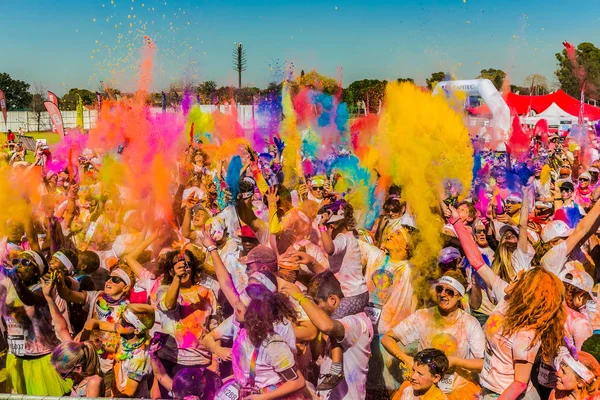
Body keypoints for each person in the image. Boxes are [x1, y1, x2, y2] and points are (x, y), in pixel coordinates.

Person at [382, 271, 484, 400]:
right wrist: (407, 359)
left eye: (449, 292)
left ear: (459, 296)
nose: (442, 294)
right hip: (423, 389)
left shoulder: (469, 323)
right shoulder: (422, 316)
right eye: (440, 289)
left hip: (457, 390)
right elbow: (387, 338)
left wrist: (456, 361)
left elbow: (482, 364)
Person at [281, 271, 373, 400]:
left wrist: (300, 297)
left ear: (332, 300)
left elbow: (326, 326)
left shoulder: (357, 323)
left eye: (317, 303)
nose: (316, 308)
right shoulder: (340, 318)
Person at [1, 249, 73, 395]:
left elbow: (30, 299)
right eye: (16, 262)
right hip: (16, 357)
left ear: (37, 271)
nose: (19, 266)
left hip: (42, 360)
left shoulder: (44, 289)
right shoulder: (7, 285)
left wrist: (14, 279)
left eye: (26, 262)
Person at [154, 248, 219, 398]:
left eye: (187, 265)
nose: (183, 268)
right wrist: (177, 278)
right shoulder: (163, 290)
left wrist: (215, 360)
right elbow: (168, 305)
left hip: (201, 362)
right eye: (178, 265)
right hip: (172, 361)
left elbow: (215, 329)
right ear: (171, 271)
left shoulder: (207, 293)